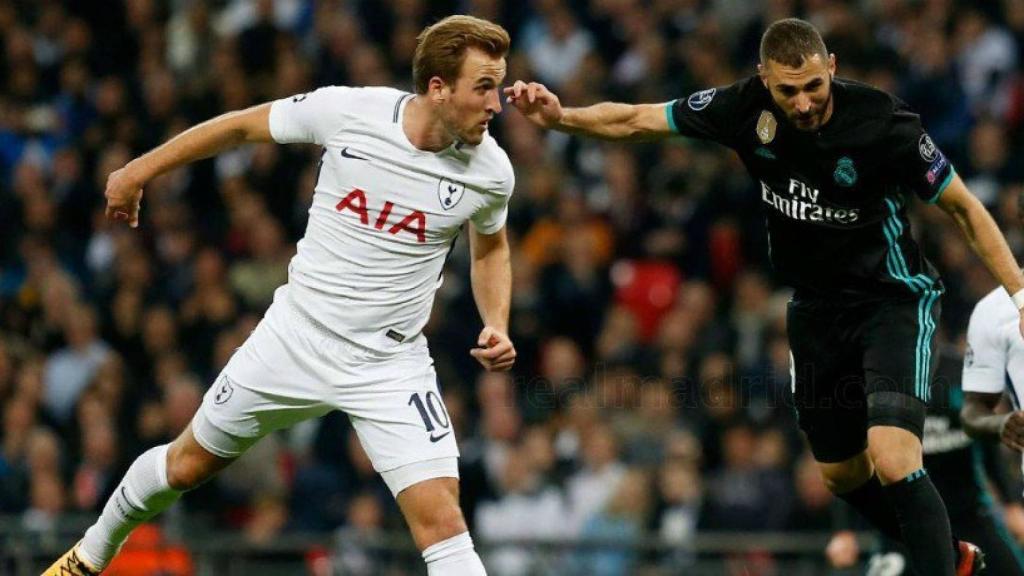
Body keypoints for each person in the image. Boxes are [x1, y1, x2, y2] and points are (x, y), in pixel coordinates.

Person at [505, 17, 1024, 575]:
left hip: (893, 302)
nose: (802, 104)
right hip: (816, 311)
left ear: (832, 68)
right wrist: (561, 118)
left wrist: (1019, 291)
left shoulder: (884, 122)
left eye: (813, 87)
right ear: (763, 79)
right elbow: (637, 120)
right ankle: (950, 558)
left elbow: (964, 207)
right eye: (787, 91)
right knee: (842, 476)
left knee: (894, 457)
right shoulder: (743, 108)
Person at [46, 14, 515, 576]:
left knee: (443, 524)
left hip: (389, 363)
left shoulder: (490, 172)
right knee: (187, 464)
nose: (496, 105)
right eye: (483, 87)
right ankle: (86, 558)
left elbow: (491, 248)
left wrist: (497, 321)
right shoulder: (350, 112)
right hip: (295, 336)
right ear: (438, 88)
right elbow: (242, 126)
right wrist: (139, 171)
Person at [827, 344, 1024, 574]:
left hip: (970, 516)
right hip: (903, 526)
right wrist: (844, 530)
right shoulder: (877, 376)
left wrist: (1011, 505)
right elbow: (853, 459)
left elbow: (987, 439)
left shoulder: (964, 372)